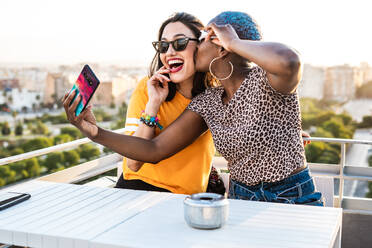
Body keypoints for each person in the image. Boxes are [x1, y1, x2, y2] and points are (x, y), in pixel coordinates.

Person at [63, 11, 322, 206]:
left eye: (202, 39)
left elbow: (289, 60)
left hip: (291, 195)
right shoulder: (208, 102)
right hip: (240, 199)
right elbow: (153, 150)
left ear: (220, 45)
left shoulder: (266, 81)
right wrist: (95, 132)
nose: (195, 46)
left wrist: (232, 42)